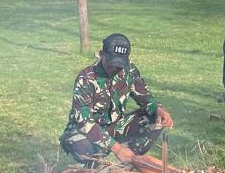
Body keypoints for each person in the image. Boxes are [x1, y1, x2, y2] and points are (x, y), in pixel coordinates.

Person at [61, 33, 174, 165]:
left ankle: (129, 161)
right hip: (85, 131)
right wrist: (117, 148)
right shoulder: (86, 78)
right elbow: (85, 122)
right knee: (85, 148)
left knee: (155, 119)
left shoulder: (129, 70)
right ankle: (95, 167)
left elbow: (144, 96)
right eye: (111, 64)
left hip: (114, 126)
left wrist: (158, 110)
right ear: (101, 54)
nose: (115, 69)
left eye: (119, 65)